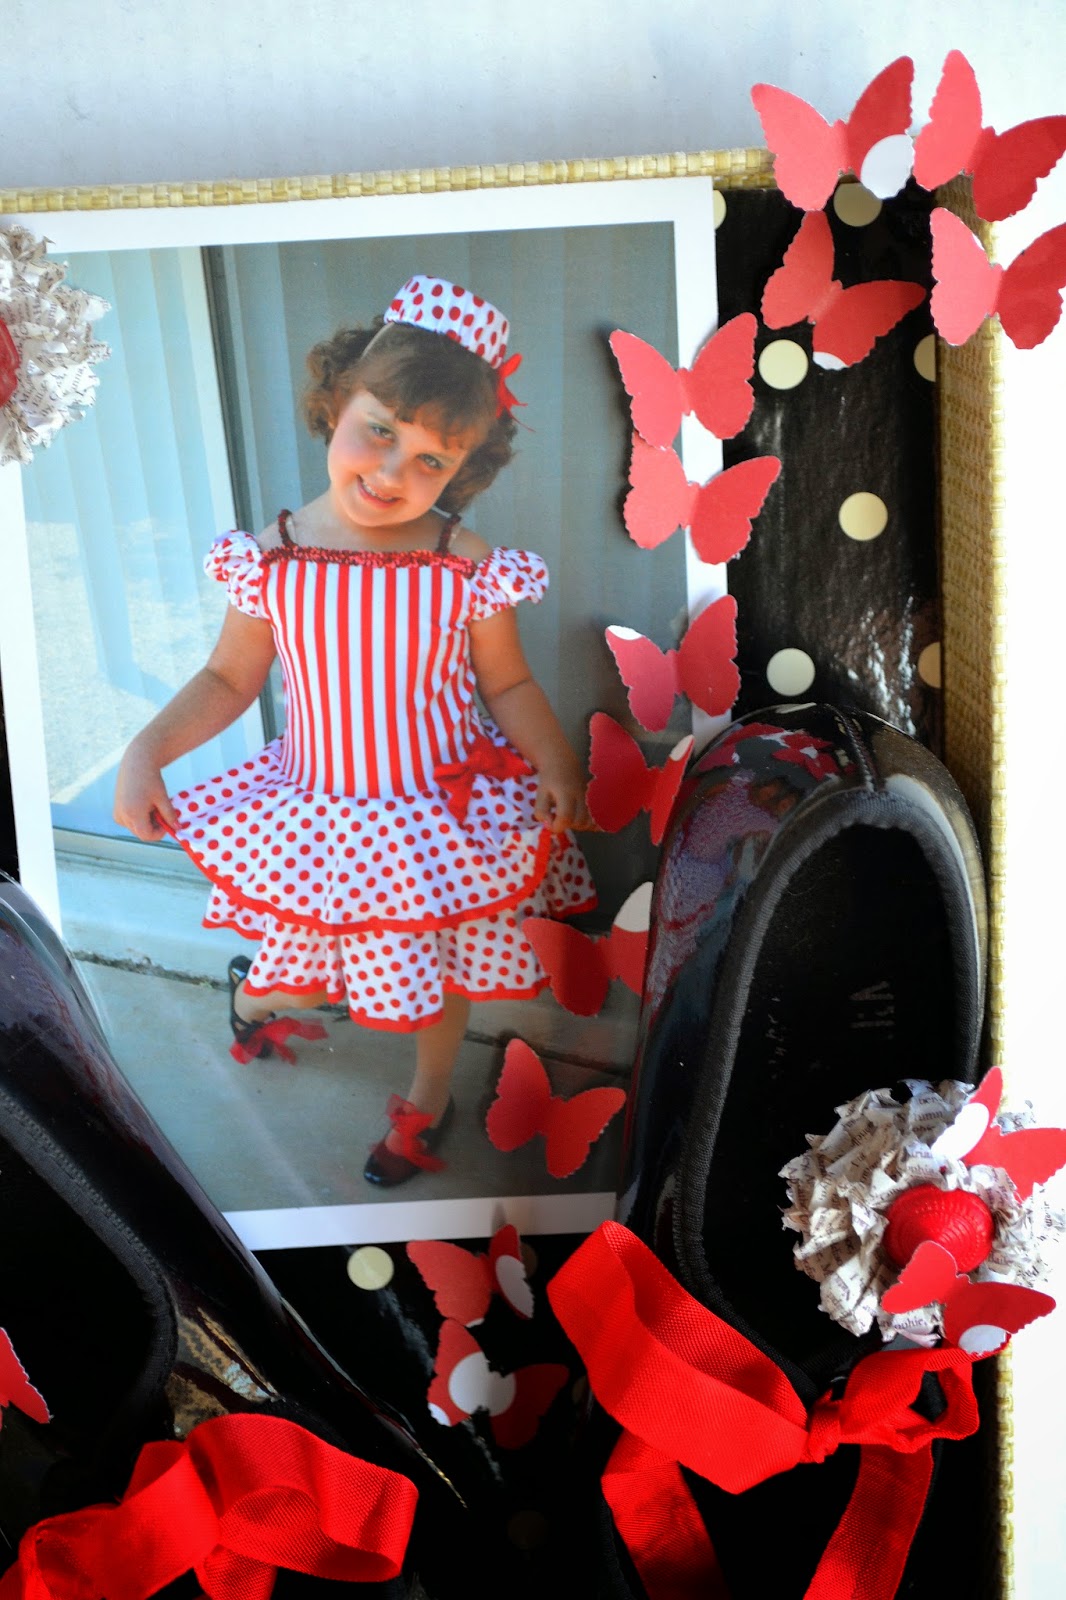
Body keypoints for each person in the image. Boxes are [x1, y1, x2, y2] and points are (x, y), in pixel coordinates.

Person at [113, 274, 596, 1186]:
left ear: (464, 469)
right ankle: (256, 999)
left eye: (431, 460)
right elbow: (227, 678)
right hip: (320, 815)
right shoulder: (273, 558)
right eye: (379, 430)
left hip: (436, 820)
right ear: (336, 403)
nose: (392, 473)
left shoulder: (465, 565)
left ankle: (426, 1099)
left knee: (438, 975)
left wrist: (553, 757)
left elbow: (508, 682)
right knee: (299, 974)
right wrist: (146, 752)